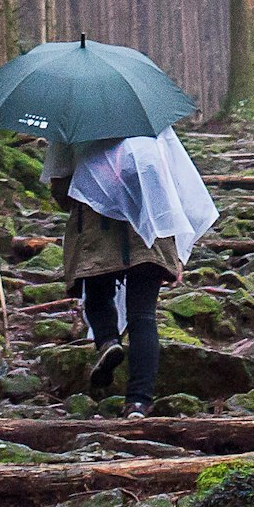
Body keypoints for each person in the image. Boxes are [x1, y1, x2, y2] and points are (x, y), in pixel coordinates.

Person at [53, 129, 215, 415]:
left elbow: (61, 188)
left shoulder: (71, 125)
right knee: (143, 316)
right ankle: (139, 400)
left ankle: (108, 341)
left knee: (97, 298)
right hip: (149, 227)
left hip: (95, 229)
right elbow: (172, 179)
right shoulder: (151, 124)